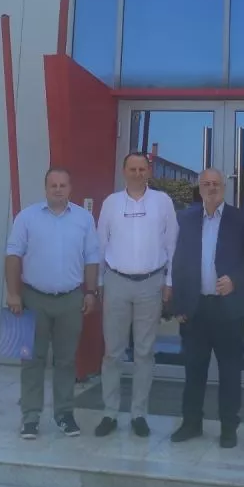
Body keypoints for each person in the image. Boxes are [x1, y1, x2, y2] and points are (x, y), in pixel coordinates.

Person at [170, 168, 244, 449]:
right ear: (199, 188)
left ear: (224, 187)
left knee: (230, 371)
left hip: (228, 309)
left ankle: (228, 427)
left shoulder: (241, 219)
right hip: (195, 308)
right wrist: (179, 304)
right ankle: (191, 423)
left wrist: (235, 279)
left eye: (216, 184)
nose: (211, 188)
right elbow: (178, 261)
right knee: (193, 370)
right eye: (206, 184)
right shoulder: (186, 219)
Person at [5, 167, 100, 440]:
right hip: (33, 297)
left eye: (63, 185)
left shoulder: (84, 219)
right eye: (53, 185)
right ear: (45, 188)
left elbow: (92, 257)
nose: (58, 189)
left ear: (70, 188)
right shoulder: (27, 217)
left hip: (70, 299)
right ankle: (30, 417)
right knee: (31, 360)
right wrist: (13, 294)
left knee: (66, 361)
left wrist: (90, 292)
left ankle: (64, 414)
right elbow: (13, 255)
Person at [95, 152, 178, 439]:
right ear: (124, 171)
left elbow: (172, 244)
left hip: (151, 283)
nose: (138, 173)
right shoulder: (111, 203)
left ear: (149, 172)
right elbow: (100, 243)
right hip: (116, 282)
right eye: (133, 168)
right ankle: (109, 412)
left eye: (142, 168)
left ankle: (139, 414)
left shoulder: (163, 202)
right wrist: (99, 282)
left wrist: (169, 281)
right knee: (112, 352)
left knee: (144, 351)